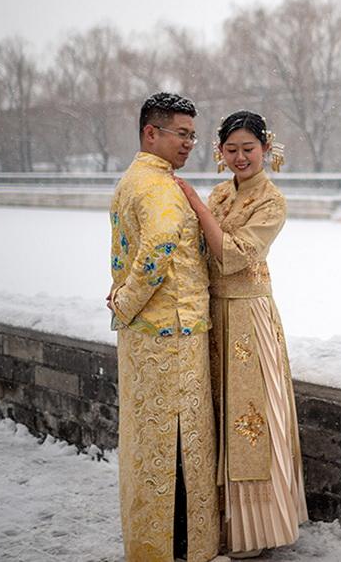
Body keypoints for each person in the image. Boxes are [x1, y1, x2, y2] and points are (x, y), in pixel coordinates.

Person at [175, 110, 307, 558]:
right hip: (213, 312)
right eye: (231, 149)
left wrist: (193, 204)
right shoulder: (219, 194)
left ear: (267, 149)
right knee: (217, 411)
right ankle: (221, 521)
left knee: (250, 417)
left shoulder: (272, 201)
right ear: (220, 152)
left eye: (249, 149)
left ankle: (258, 527)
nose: (240, 157)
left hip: (249, 316)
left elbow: (233, 254)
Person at [107, 92, 221, 562]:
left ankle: (150, 541)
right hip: (172, 333)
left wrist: (121, 300)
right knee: (175, 440)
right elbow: (157, 248)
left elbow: (130, 253)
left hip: (148, 336)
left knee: (146, 441)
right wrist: (126, 305)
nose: (190, 143)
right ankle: (180, 546)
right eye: (182, 133)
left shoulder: (135, 179)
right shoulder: (158, 186)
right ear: (150, 132)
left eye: (194, 135)